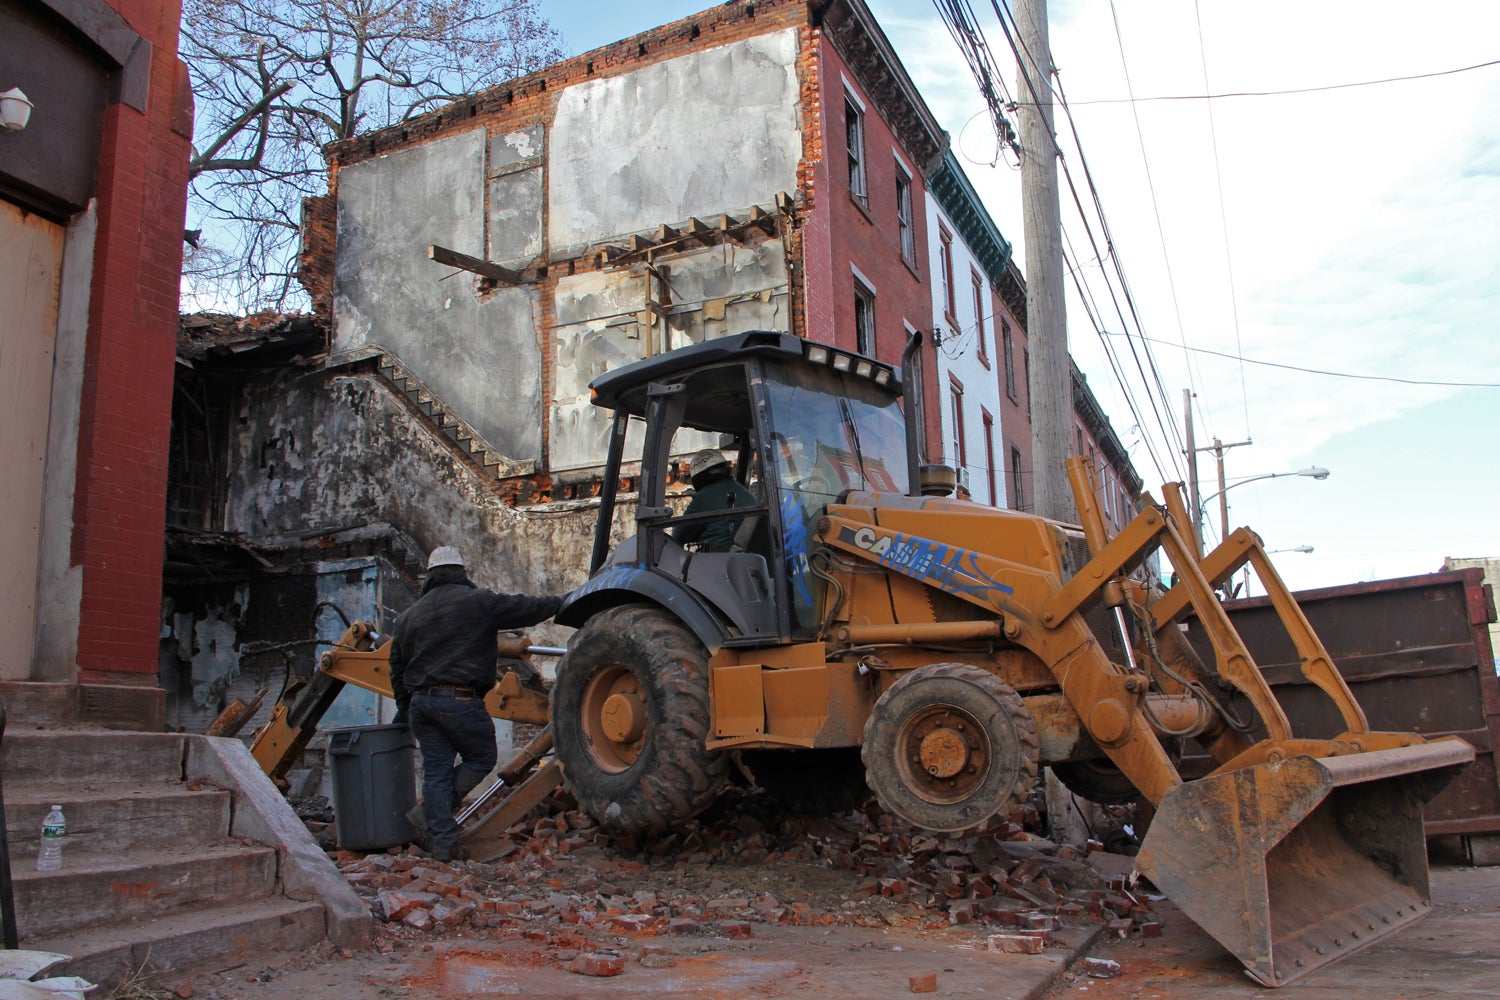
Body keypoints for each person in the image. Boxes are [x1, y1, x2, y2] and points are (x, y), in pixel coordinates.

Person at [388, 545, 566, 861]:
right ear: (461, 573)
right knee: (481, 757)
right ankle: (432, 811)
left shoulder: (407, 618)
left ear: (429, 576)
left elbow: (396, 668)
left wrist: (404, 708)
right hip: (460, 700)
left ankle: (442, 845)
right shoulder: (477, 602)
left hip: (421, 704)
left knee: (436, 772)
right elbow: (525, 608)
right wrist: (564, 600)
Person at [674, 449, 756, 552]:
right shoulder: (746, 493)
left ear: (697, 477)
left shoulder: (702, 499)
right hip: (750, 559)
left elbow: (678, 536)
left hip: (718, 561)